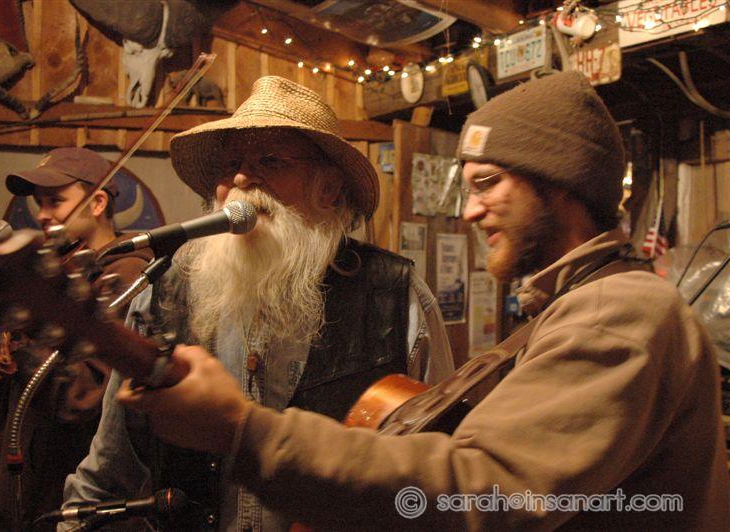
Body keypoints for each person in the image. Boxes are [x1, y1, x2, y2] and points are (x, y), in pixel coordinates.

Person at [115, 72, 730, 530]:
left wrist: (243, 431)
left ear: (560, 182)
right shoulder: (573, 306)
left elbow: (484, 492)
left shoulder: (614, 312)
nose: (470, 211)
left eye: (487, 184)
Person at [61, 76, 455, 530]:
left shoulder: (393, 293)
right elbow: (109, 475)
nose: (240, 179)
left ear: (329, 188)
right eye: (230, 165)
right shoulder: (164, 291)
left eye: (270, 161)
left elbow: (437, 471)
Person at [0, 147, 153, 531]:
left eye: (56, 201)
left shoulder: (125, 275)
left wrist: (23, 350)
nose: (42, 214)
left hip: (66, 493)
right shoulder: (55, 270)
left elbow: (84, 397)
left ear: (97, 203)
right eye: (39, 203)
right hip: (24, 485)